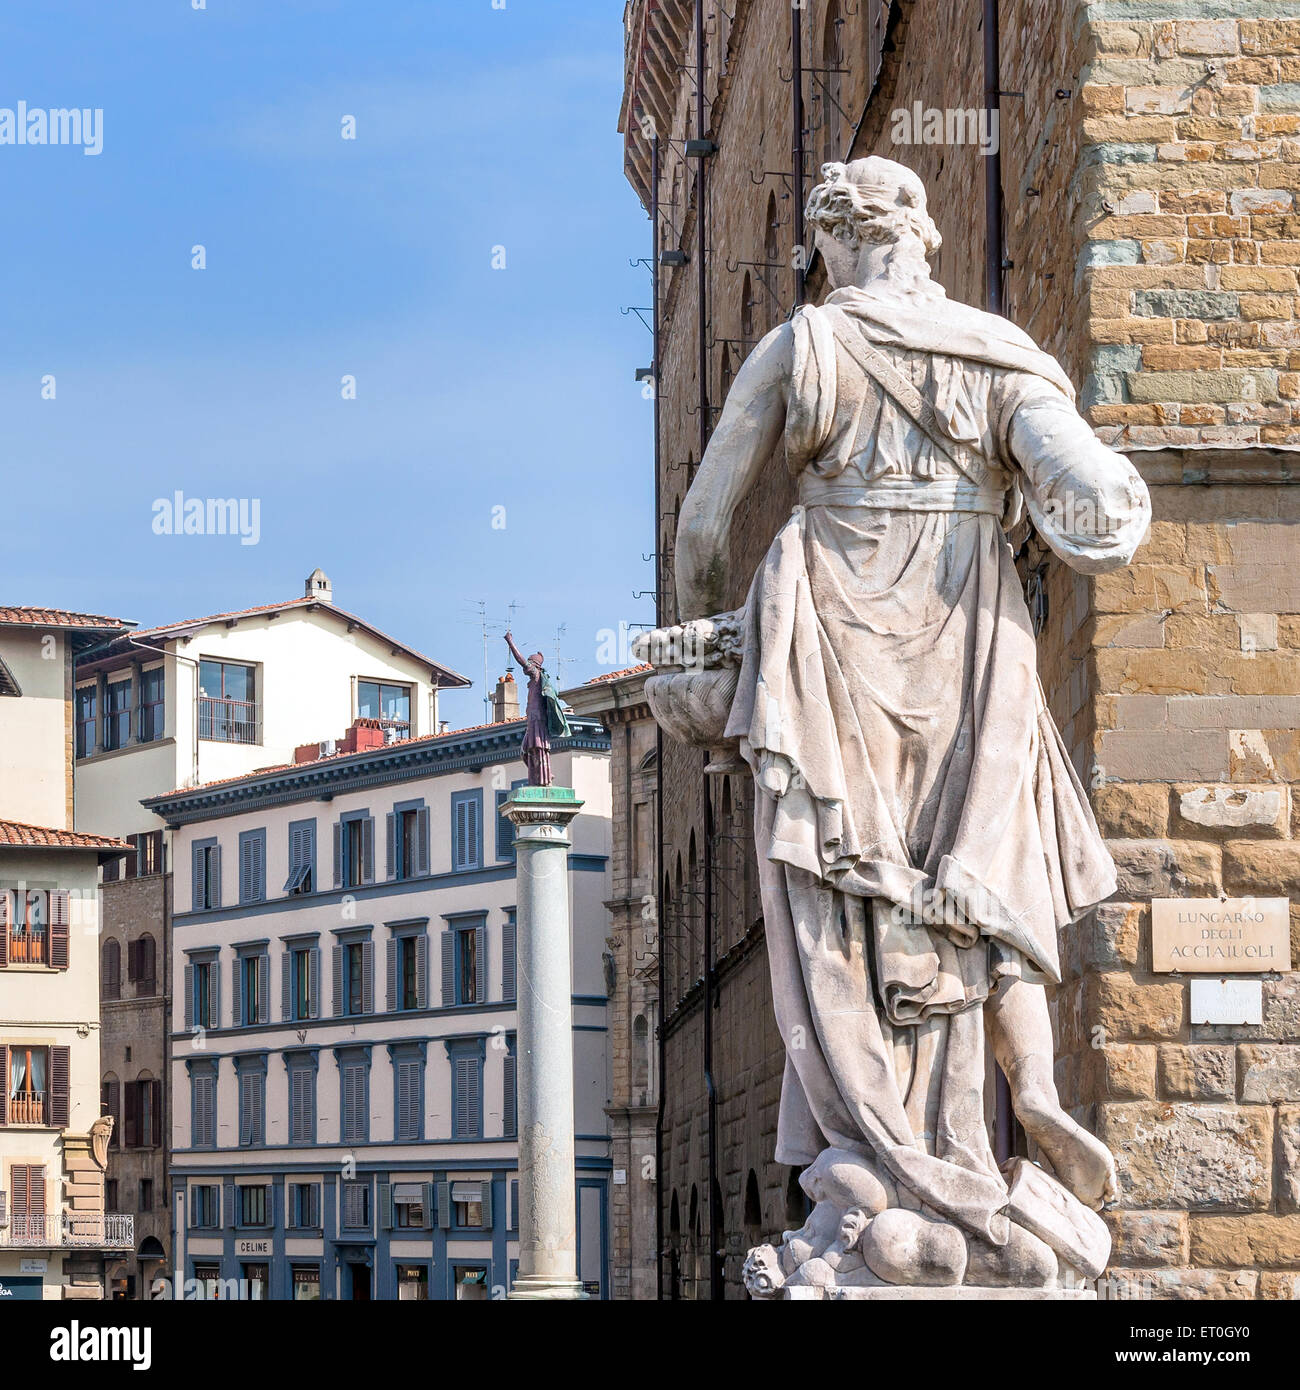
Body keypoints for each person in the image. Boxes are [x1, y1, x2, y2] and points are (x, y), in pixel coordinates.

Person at [671, 157, 1151, 1266]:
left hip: (829, 646)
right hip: (969, 634)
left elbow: (703, 524)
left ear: (834, 247)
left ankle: (883, 1161)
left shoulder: (804, 346)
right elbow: (1079, 482)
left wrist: (701, 637)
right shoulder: (996, 356)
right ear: (924, 238)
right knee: (984, 879)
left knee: (845, 900)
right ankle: (1019, 1093)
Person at [504, 632, 571, 787]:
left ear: (535, 665)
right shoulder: (533, 681)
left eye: (530, 662)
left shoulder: (536, 675)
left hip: (537, 720)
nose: (527, 665)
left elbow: (520, 661)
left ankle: (544, 778)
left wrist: (510, 642)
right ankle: (542, 775)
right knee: (525, 751)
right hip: (532, 720)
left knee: (537, 748)